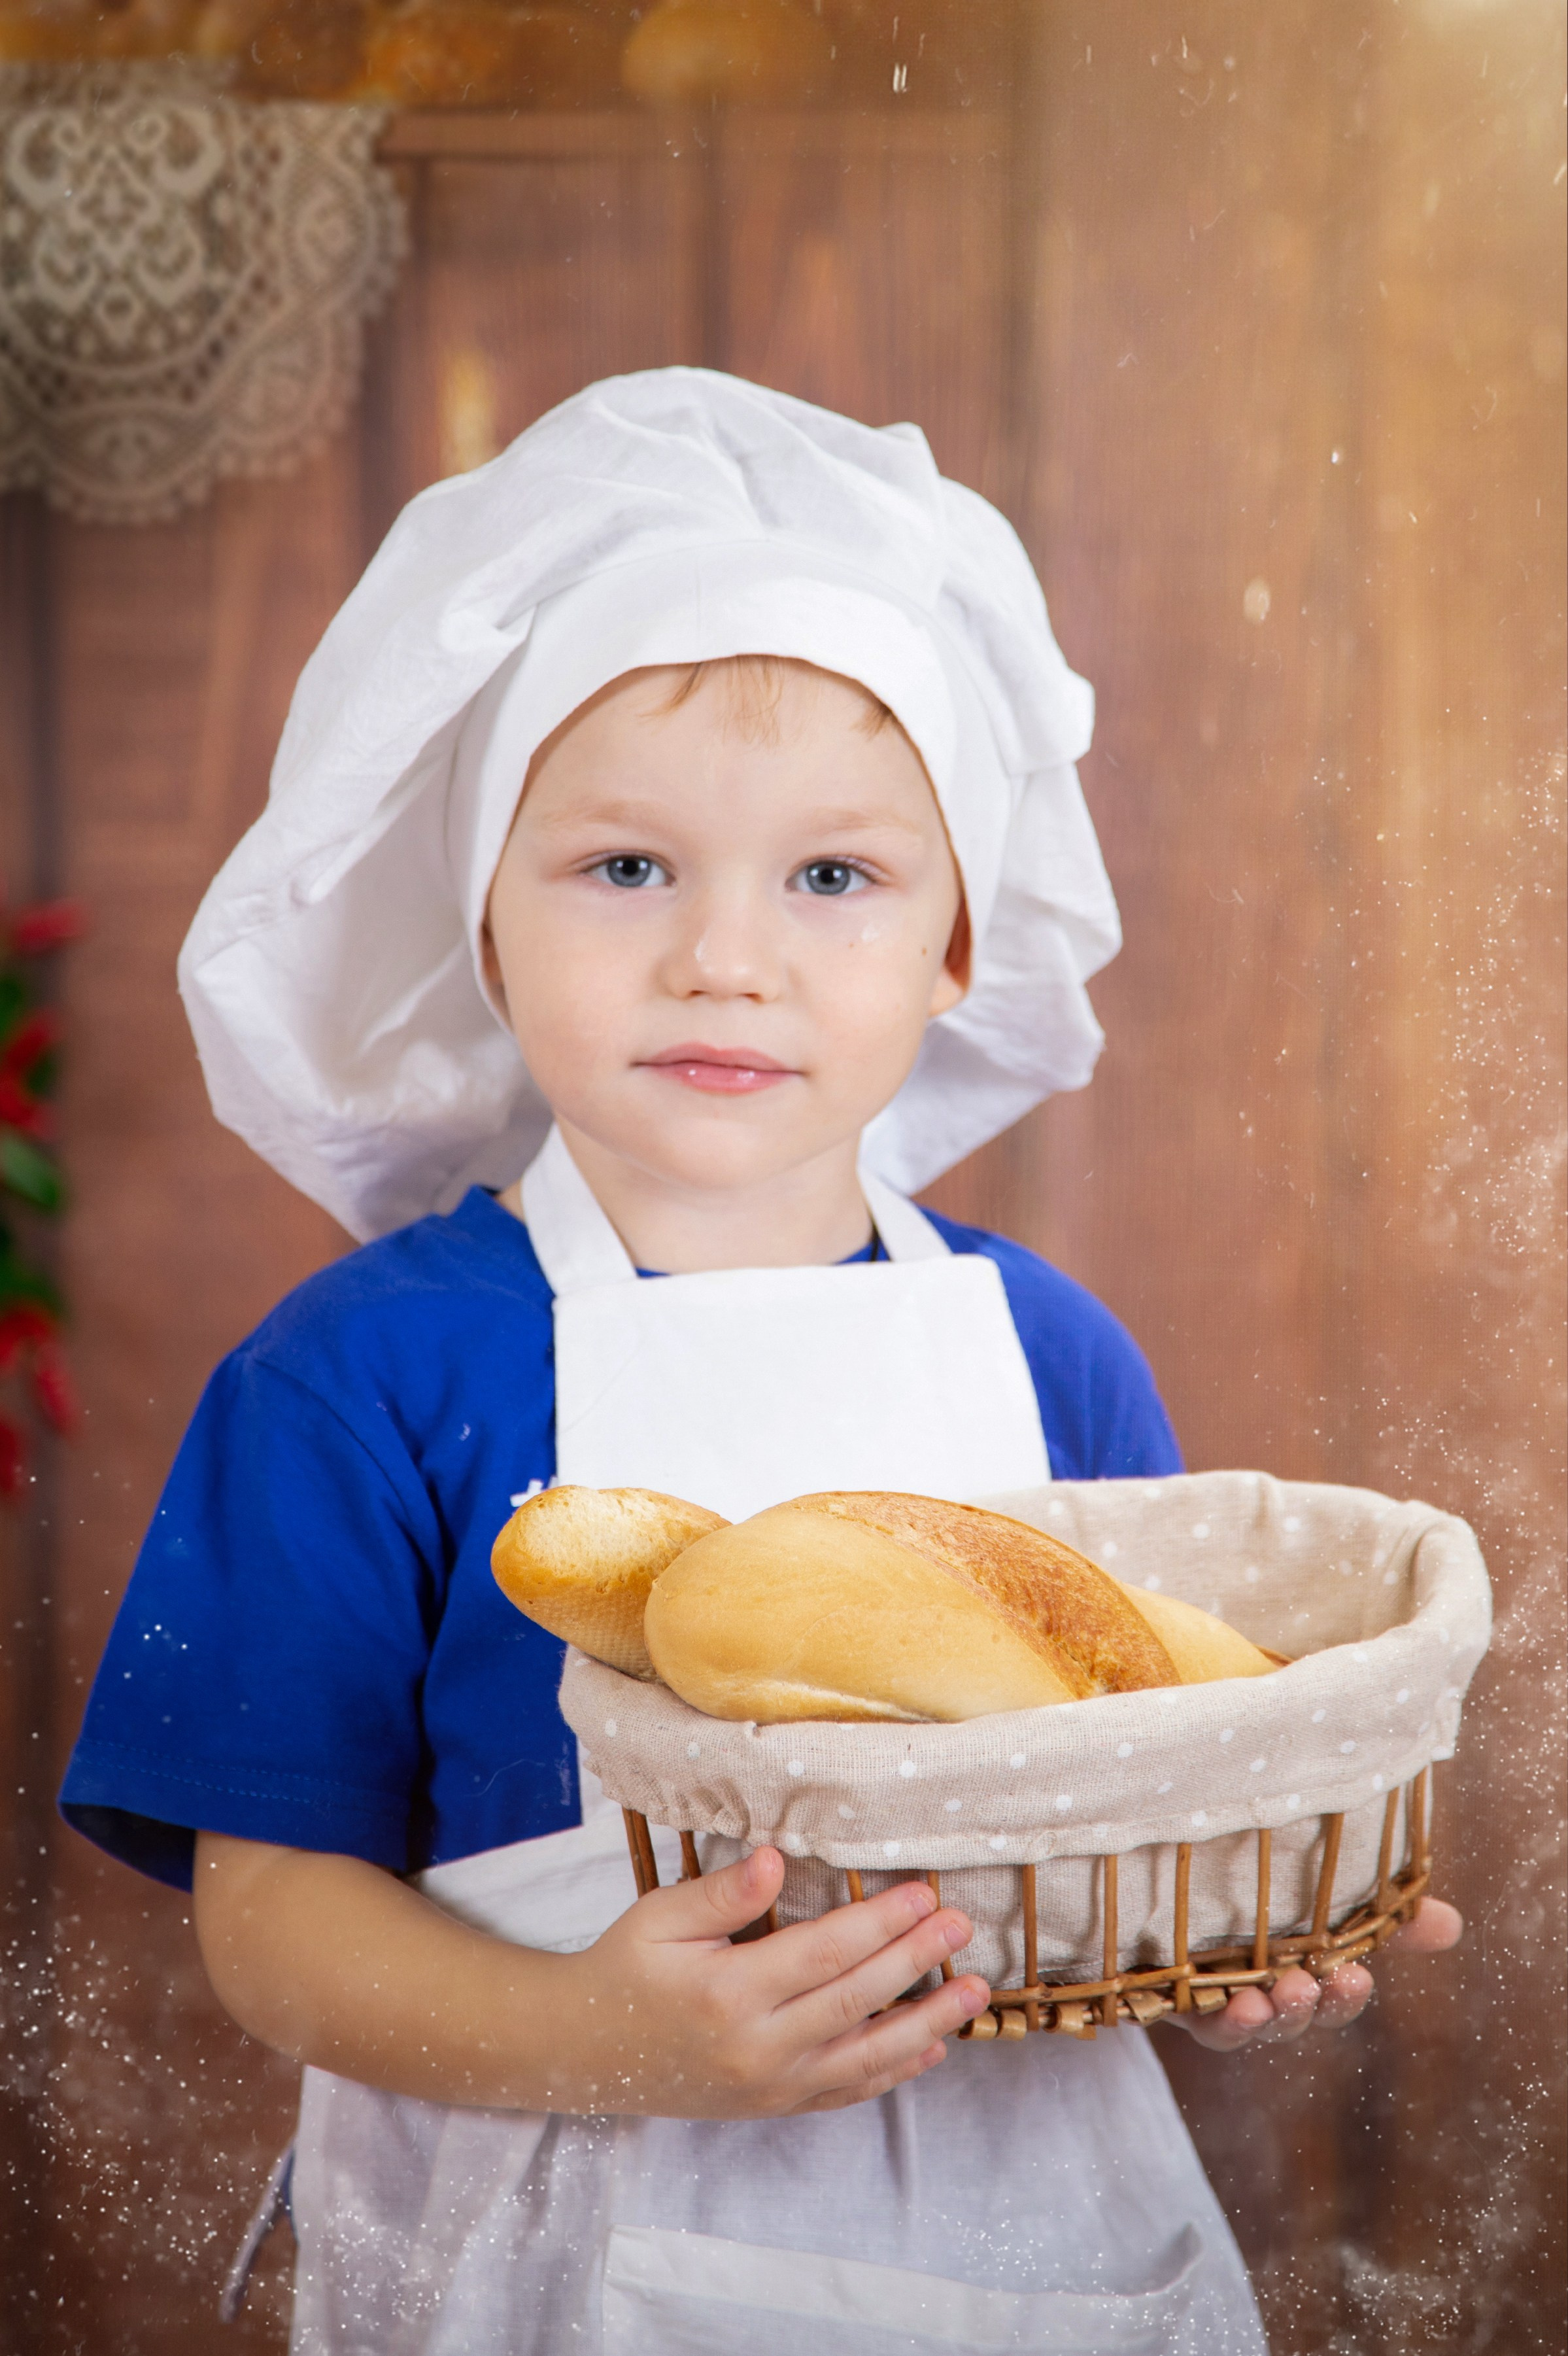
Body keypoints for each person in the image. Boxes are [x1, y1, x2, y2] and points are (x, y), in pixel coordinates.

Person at [60, 370, 1457, 2355]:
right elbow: (270, 1919)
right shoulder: (354, 1380)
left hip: (1039, 2238)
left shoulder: (1052, 1354)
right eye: (627, 867)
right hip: (556, 2217)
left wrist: (1232, 1928)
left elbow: (1135, 1789)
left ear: (959, 944)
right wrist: (602, 2036)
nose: (729, 954)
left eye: (835, 877)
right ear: (484, 919)